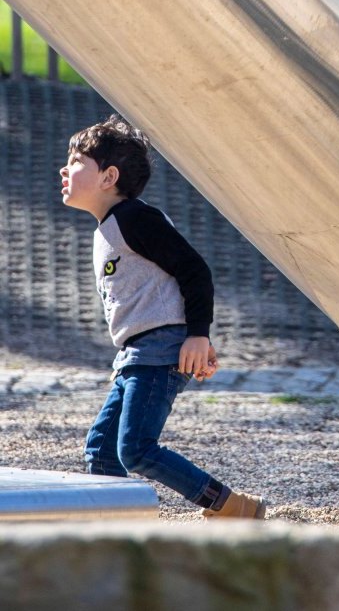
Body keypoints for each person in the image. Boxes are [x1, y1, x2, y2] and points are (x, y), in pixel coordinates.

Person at [60, 115, 265, 519]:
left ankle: (229, 505)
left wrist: (197, 336)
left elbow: (194, 270)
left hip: (159, 350)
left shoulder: (135, 219)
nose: (65, 168)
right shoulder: (108, 229)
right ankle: (115, 529)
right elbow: (167, 288)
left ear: (108, 177)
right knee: (103, 453)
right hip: (137, 353)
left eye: (77, 161)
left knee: (135, 449)